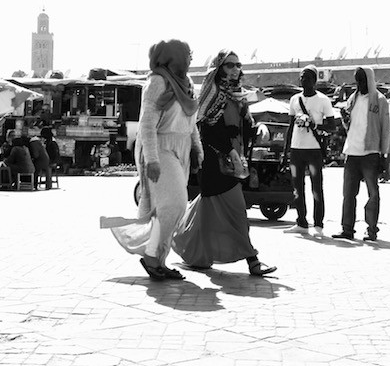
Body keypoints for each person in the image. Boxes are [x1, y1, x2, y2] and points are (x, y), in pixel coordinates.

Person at [172, 50, 276, 276]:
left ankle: (187, 246)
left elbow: (244, 128)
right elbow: (206, 131)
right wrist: (230, 149)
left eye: (238, 65)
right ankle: (253, 261)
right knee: (238, 211)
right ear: (218, 68)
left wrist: (258, 128)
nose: (236, 69)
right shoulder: (214, 94)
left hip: (233, 162)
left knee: (206, 213)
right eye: (230, 65)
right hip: (216, 163)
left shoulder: (238, 96)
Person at [107, 40, 203, 281]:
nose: (191, 59)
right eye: (187, 55)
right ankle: (152, 257)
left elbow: (190, 121)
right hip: (159, 147)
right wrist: (151, 159)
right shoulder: (157, 82)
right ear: (173, 57)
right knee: (175, 204)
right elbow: (147, 124)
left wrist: (196, 148)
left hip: (180, 148)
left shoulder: (187, 83)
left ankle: (157, 259)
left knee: (169, 209)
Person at [333, 66, 390, 242]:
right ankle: (347, 229)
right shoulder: (353, 98)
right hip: (352, 151)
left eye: (362, 80)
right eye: (357, 80)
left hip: (371, 153)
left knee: (372, 193)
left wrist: (384, 155)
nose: (359, 84)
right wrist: (344, 118)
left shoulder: (380, 101)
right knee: (348, 193)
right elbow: (349, 125)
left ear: (370, 80)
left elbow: (385, 129)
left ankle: (371, 229)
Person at [282, 65, 336, 236]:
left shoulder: (323, 100)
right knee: (297, 187)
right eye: (301, 77)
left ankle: (318, 224)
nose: (303, 80)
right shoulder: (294, 100)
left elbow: (332, 126)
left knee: (316, 188)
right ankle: (301, 222)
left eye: (307, 77)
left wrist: (313, 124)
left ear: (314, 80)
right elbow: (290, 127)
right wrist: (286, 151)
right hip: (296, 149)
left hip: (314, 150)